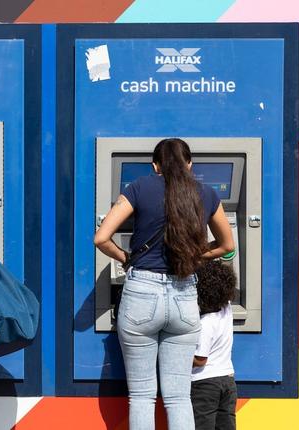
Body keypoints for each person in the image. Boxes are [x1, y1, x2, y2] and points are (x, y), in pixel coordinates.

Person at [94, 138, 235, 430]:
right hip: (184, 297)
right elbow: (226, 245)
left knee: (143, 396)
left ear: (155, 166)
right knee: (179, 397)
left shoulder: (138, 188)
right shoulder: (207, 194)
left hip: (141, 295)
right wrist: (194, 256)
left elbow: (101, 238)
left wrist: (126, 258)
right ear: (189, 164)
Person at [191, 259, 237, 430]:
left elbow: (200, 359)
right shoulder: (227, 308)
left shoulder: (206, 323)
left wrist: (175, 356)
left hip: (204, 384)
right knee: (226, 426)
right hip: (228, 380)